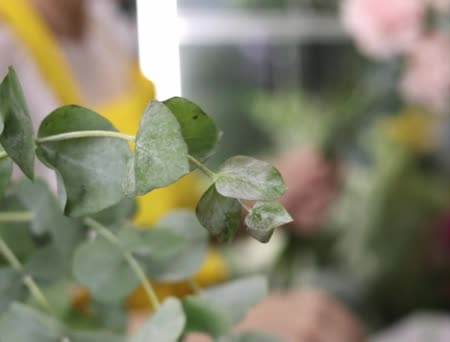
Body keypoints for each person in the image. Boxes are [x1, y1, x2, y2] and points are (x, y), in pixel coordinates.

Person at [0, 1, 362, 340]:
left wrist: (245, 202)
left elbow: (150, 236)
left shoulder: (103, 24)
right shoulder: (7, 46)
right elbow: (35, 323)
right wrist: (224, 325)